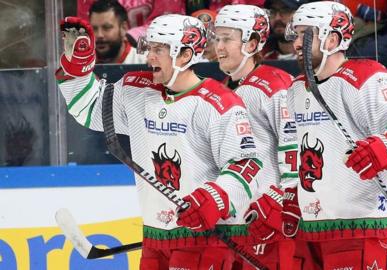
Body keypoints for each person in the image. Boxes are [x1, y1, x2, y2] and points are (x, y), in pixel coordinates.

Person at [56, 14, 262, 270]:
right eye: (150, 48)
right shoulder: (137, 89)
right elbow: (90, 109)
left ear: (185, 55)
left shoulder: (219, 103)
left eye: (159, 50)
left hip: (205, 238)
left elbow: (245, 165)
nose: (150, 57)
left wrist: (215, 197)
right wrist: (78, 68)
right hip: (155, 236)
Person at [283, 1, 387, 269]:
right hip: (309, 228)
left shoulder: (365, 77)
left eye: (306, 34)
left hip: (360, 225)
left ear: (333, 38)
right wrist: (291, 193)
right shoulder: (296, 88)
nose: (296, 42)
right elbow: (296, 148)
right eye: (296, 34)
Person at [213, 5, 299, 269]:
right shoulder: (220, 90)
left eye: (227, 38)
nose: (219, 46)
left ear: (251, 43)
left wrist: (283, 200)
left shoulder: (275, 84)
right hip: (235, 225)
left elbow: (296, 145)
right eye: (217, 38)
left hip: (270, 223)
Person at [77, 0, 186, 43]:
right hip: (108, 58)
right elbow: (86, 28)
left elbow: (170, 22)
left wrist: (130, 36)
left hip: (155, 54)